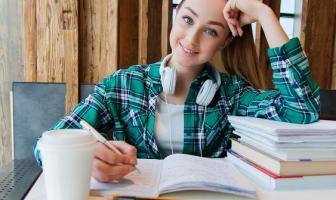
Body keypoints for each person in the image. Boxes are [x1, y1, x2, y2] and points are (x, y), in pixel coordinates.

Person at [34, 0, 320, 183]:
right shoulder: (122, 85)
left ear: (223, 43)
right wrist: (87, 158)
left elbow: (302, 109)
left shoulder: (232, 95)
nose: (191, 38)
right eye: (187, 19)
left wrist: (264, 14)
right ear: (175, 15)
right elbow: (44, 146)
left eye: (211, 31)